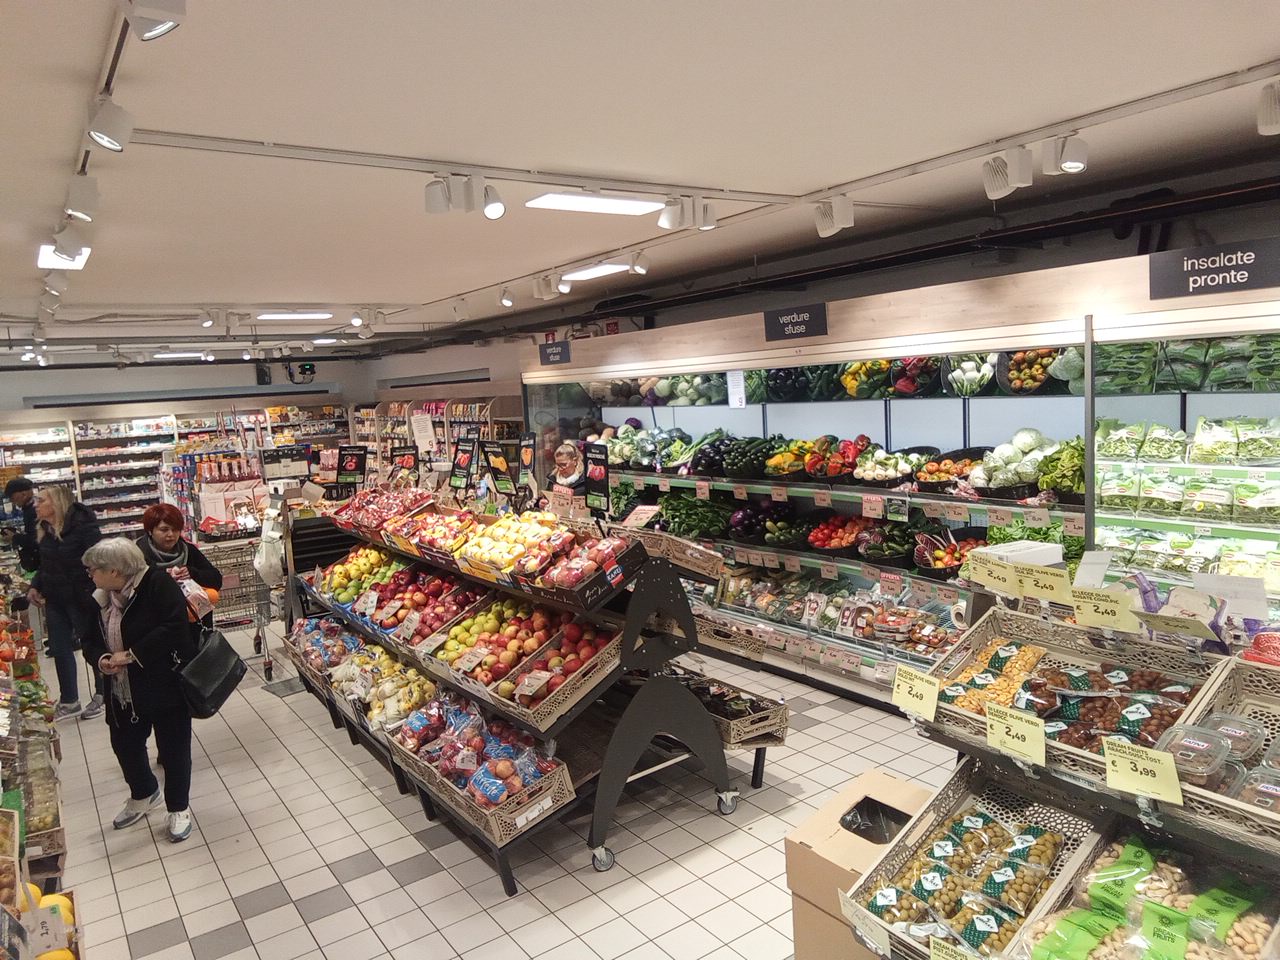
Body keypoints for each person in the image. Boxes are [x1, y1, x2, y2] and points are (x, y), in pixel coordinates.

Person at [82, 538, 195, 842]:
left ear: (115, 571)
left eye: (94, 569)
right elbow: (88, 639)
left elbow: (174, 629)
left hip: (165, 684)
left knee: (173, 749)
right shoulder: (99, 597)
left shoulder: (157, 585)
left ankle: (178, 808)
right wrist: (102, 659)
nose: (90, 574)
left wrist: (132, 655)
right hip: (121, 689)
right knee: (125, 744)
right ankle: (144, 793)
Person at [27, 486, 104, 721]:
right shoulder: (45, 529)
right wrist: (35, 586)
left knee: (93, 646)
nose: (36, 504)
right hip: (55, 598)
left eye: (41, 500)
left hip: (82, 597)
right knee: (60, 648)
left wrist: (95, 591)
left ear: (56, 503)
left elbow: (99, 559)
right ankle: (70, 700)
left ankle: (103, 695)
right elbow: (46, 564)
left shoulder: (83, 525)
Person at [136, 504, 223, 636]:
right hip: (157, 630)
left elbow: (216, 580)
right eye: (164, 530)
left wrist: (193, 573)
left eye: (175, 529)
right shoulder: (138, 556)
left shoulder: (188, 550)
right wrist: (164, 577)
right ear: (150, 530)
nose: (170, 535)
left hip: (194, 627)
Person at [2, 477, 39, 571]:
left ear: (24, 494)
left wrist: (15, 537)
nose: (11, 500)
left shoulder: (35, 510)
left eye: (12, 497)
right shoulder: (28, 508)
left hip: (43, 561)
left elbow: (36, 540)